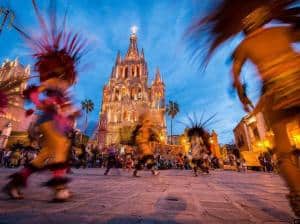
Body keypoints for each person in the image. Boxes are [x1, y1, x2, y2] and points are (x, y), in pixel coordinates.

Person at [188, 0, 300, 216]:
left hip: (277, 92)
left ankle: (297, 193)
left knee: (283, 148)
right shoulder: (281, 30)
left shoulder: (245, 45)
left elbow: (236, 75)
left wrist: (242, 95)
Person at [2, 0, 85, 202]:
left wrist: (71, 111)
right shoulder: (53, 81)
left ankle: (15, 183)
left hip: (55, 122)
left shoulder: (61, 86)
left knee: (45, 154)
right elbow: (32, 93)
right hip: (48, 121)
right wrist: (44, 105)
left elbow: (63, 104)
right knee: (60, 147)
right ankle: (59, 188)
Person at [132, 113, 160, 177]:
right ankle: (154, 172)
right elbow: (137, 139)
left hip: (145, 146)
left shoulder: (147, 130)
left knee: (143, 160)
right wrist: (142, 143)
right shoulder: (141, 130)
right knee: (149, 157)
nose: (149, 123)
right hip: (143, 146)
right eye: (148, 122)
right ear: (144, 122)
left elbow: (151, 136)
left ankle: (135, 172)